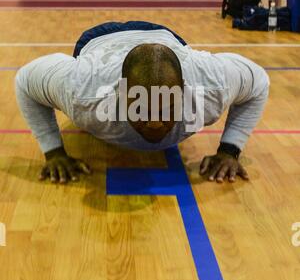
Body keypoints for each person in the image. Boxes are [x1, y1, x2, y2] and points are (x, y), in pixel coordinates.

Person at [15, 21, 270, 184]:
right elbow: (25, 81)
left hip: (168, 38)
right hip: (100, 42)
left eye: (167, 108)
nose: (155, 124)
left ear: (184, 90)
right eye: (141, 109)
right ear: (119, 93)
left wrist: (230, 149)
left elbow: (259, 82)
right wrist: (53, 152)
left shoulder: (212, 86)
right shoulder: (84, 92)